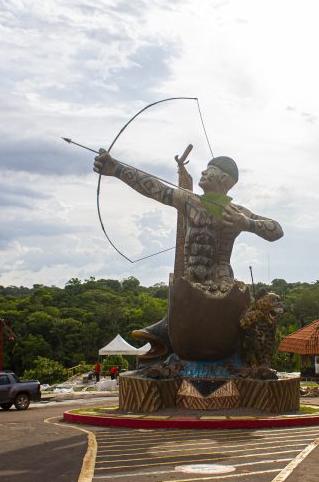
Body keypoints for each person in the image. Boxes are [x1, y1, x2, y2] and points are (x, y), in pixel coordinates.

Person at [93, 151, 283, 363]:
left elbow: (276, 230)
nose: (202, 172)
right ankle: (168, 337)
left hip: (220, 280)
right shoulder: (188, 200)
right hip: (190, 279)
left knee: (227, 322)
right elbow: (156, 188)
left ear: (224, 179)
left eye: (209, 170)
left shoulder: (237, 212)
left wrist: (247, 223)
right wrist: (116, 169)